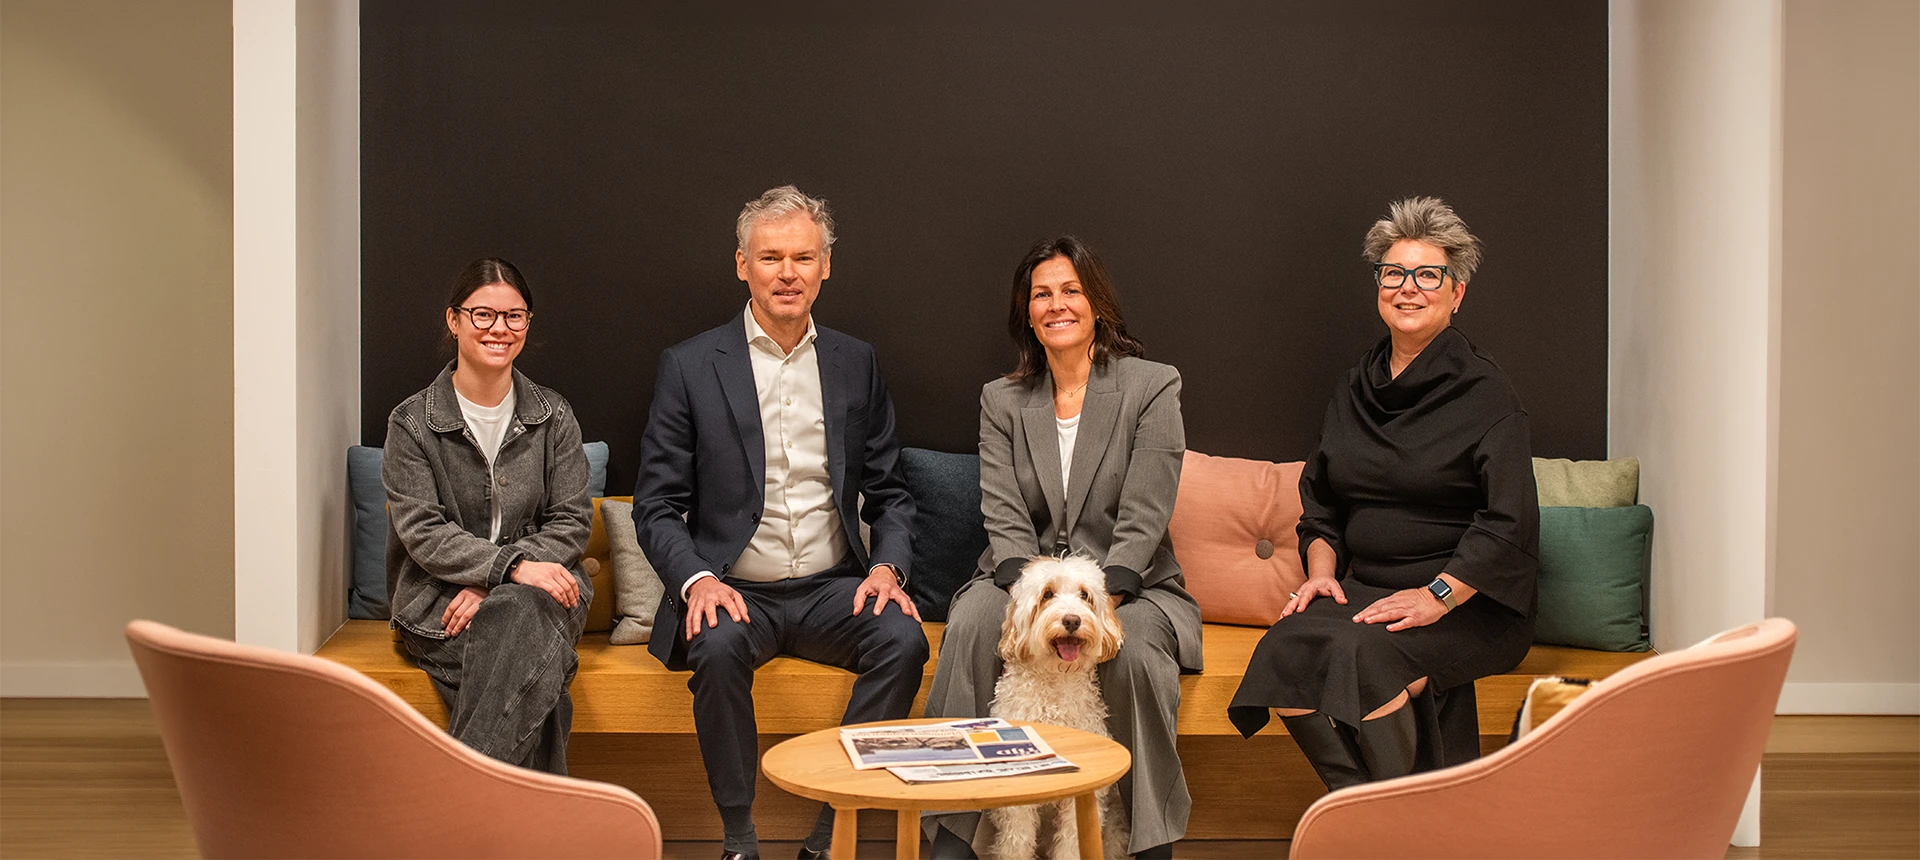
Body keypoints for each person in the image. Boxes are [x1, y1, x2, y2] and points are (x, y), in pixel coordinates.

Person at [634, 186, 927, 860]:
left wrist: (888, 566)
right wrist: (697, 581)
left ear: (826, 266)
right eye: (771, 257)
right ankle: (739, 839)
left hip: (834, 587)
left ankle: (829, 836)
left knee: (905, 640)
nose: (787, 272)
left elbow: (891, 492)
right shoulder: (689, 365)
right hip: (738, 588)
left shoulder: (857, 362)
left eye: (803, 257)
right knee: (712, 645)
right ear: (742, 265)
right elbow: (655, 505)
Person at [1227, 197, 1540, 790]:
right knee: (1288, 650)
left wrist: (1437, 597)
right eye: (1394, 273)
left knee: (1366, 660)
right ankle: (1376, 821)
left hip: (1468, 602)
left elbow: (1508, 523)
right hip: (1365, 586)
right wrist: (1321, 573)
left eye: (1428, 275)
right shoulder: (1354, 387)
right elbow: (1321, 502)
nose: (1408, 288)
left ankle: (1393, 826)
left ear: (1456, 292)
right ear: (1379, 285)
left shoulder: (1489, 395)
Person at [923, 237, 1199, 860]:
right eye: (1041, 294)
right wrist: (1036, 602)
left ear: (1097, 303)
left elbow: (1146, 511)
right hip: (1021, 581)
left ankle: (1150, 839)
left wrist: (1098, 605)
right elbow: (1003, 511)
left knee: (1131, 660)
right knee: (968, 627)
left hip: (1134, 582)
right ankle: (954, 830)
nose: (1057, 305)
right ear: (1027, 313)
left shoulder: (1151, 387)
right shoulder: (1003, 400)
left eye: (1071, 290)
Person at [383, 257, 594, 775]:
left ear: (527, 324)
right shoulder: (412, 423)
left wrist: (498, 586)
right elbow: (424, 533)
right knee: (539, 675)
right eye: (482, 315)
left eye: (514, 316)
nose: (499, 328)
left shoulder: (554, 415)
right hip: (441, 602)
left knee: (520, 615)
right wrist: (509, 572)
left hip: (548, 593)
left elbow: (571, 521)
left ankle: (460, 803)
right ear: (453, 320)